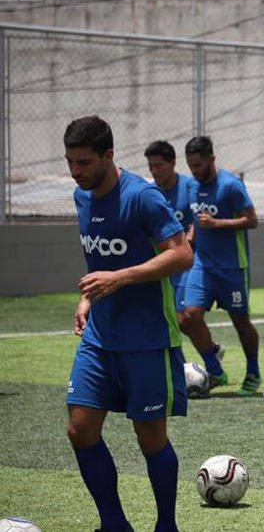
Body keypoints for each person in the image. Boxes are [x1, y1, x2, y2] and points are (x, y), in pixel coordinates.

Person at [64, 116, 193, 532]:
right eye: (70, 162)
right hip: (100, 337)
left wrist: (119, 278)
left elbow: (182, 254)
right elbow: (99, 257)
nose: (76, 171)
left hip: (147, 338)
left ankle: (166, 525)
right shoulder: (82, 197)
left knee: (150, 438)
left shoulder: (142, 197)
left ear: (109, 155)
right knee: (80, 429)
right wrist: (89, 296)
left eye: (84, 162)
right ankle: (114, 524)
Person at [181, 136, 261, 396]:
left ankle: (253, 371)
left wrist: (218, 224)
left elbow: (251, 220)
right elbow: (197, 219)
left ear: (212, 159)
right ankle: (215, 371)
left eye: (198, 165)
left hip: (232, 267)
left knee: (240, 321)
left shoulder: (231, 185)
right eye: (190, 165)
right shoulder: (191, 185)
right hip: (202, 264)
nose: (194, 170)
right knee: (188, 317)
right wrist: (191, 238)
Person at [145, 140, 200, 326]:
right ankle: (209, 345)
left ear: (173, 163)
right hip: (162, 261)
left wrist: (189, 238)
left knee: (184, 316)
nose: (154, 171)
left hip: (187, 261)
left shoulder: (190, 186)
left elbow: (199, 215)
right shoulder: (150, 193)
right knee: (167, 316)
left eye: (158, 166)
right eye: (151, 166)